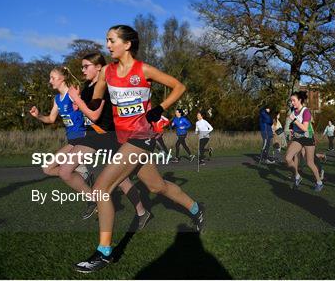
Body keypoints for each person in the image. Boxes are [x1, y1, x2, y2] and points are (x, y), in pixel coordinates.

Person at [74, 25, 204, 273]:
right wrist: (78, 99)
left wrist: (160, 108)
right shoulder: (107, 72)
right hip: (122, 140)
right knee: (157, 186)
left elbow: (178, 86)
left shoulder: (143, 69)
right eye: (107, 41)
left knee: (101, 188)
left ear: (127, 44)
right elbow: (95, 103)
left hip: (142, 136)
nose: (108, 45)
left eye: (112, 40)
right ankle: (196, 209)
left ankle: (104, 253)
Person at [68, 53, 151, 226]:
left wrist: (78, 100)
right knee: (65, 169)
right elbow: (87, 111)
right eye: (82, 67)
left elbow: (96, 115)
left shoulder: (104, 86)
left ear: (99, 67)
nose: (82, 70)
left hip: (107, 136)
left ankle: (137, 211)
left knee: (123, 181)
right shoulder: (87, 87)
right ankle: (96, 198)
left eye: (86, 66)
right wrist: (77, 104)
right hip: (93, 136)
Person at [29, 67, 93, 216]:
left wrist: (81, 104)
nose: (50, 80)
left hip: (84, 139)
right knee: (47, 168)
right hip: (72, 141)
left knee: (65, 171)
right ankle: (84, 176)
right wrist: (38, 116)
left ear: (62, 78)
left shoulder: (73, 91)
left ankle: (92, 198)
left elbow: (90, 107)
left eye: (52, 77)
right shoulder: (57, 99)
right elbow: (51, 119)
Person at [284, 91, 323, 191]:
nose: (292, 102)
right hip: (298, 138)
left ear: (300, 100)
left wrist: (294, 120)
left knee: (309, 163)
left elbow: (305, 128)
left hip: (308, 138)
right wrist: (292, 128)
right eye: (291, 100)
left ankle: (319, 182)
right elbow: (294, 125)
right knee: (288, 158)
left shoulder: (306, 111)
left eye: (294, 100)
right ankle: (297, 176)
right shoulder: (293, 111)